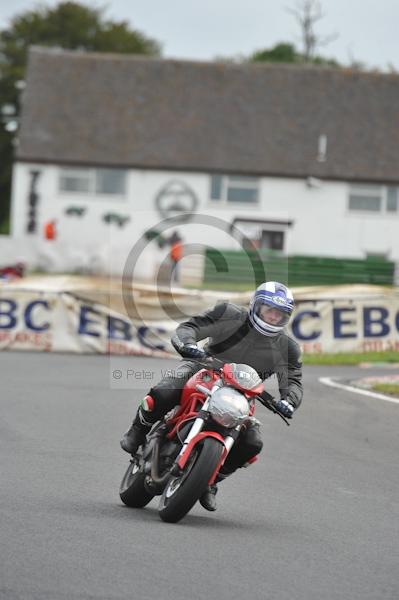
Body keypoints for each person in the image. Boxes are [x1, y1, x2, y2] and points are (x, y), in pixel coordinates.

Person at [121, 281, 303, 511]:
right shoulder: (228, 314)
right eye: (269, 311)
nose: (273, 318)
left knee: (252, 443)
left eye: (280, 314)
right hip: (204, 368)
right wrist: (188, 344)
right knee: (163, 392)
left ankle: (211, 481)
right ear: (255, 306)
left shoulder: (287, 347)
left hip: (243, 393)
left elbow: (293, 380)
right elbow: (190, 327)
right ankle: (137, 431)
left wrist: (289, 401)